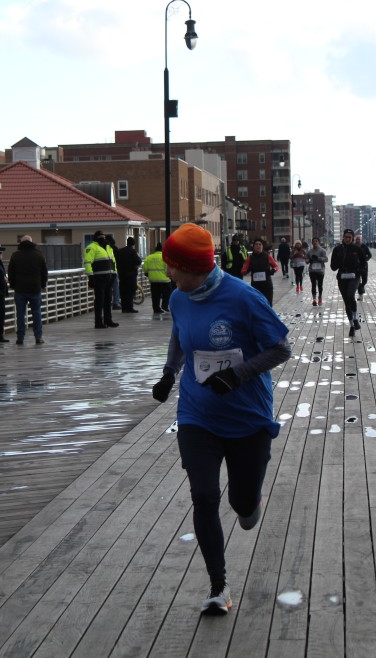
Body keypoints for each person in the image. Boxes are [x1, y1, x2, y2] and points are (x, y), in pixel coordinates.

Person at [149, 223, 292, 616]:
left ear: (194, 268)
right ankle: (219, 585)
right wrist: (169, 373)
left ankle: (249, 502)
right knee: (204, 496)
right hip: (197, 414)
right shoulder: (178, 297)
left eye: (173, 267)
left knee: (241, 505)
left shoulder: (244, 298)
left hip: (247, 415)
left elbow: (281, 348)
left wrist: (237, 375)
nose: (168, 273)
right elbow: (179, 336)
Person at [7, 235, 48, 345]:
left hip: (20, 289)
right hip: (35, 288)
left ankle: (20, 338)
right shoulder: (39, 255)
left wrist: (13, 285)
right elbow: (44, 272)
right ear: (31, 242)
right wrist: (42, 285)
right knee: (36, 313)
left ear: (21, 243)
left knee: (20, 314)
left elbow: (10, 272)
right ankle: (38, 337)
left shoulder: (15, 255)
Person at [331, 229, 368, 337]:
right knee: (347, 302)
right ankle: (352, 325)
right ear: (343, 237)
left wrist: (360, 273)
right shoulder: (337, 249)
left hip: (354, 277)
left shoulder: (357, 249)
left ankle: (355, 318)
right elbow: (333, 267)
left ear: (352, 238)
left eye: (349, 237)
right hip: (342, 277)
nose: (347, 239)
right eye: (346, 237)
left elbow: (364, 263)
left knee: (350, 295)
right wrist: (339, 262)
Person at [85, 230, 119, 329]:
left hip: (109, 277)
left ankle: (108, 320)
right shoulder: (91, 247)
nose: (102, 238)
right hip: (98, 278)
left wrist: (114, 273)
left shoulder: (108, 247)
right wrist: (91, 276)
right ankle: (98, 322)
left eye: (103, 236)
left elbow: (113, 261)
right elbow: (87, 262)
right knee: (99, 301)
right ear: (96, 238)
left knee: (108, 300)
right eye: (100, 237)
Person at [240, 238, 280, 304]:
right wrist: (248, 269)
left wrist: (273, 270)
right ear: (254, 247)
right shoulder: (250, 257)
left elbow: (276, 266)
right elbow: (243, 271)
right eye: (256, 244)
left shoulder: (267, 256)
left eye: (260, 244)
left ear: (262, 246)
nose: (258, 246)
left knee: (268, 305)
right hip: (256, 286)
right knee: (257, 305)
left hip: (267, 285)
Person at [142, 242, 171, 313]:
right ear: (162, 249)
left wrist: (148, 274)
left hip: (153, 280)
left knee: (155, 295)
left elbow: (145, 269)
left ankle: (156, 309)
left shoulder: (149, 257)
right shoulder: (165, 257)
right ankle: (164, 306)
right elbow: (168, 268)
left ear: (155, 250)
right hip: (165, 280)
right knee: (166, 294)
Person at [115, 236, 142, 313]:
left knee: (123, 291)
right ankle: (129, 307)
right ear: (133, 244)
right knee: (130, 291)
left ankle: (124, 308)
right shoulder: (133, 252)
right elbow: (138, 261)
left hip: (121, 274)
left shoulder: (119, 251)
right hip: (131, 275)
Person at [307, 237, 328, 306]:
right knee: (313, 284)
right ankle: (314, 299)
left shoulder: (322, 250)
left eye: (316, 241)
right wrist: (309, 260)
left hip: (320, 270)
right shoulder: (310, 251)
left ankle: (320, 297)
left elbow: (326, 259)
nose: (315, 242)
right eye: (313, 241)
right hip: (312, 270)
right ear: (312, 243)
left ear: (318, 242)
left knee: (320, 285)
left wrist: (318, 258)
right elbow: (306, 260)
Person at [106, 234, 122, 311]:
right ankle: (116, 302)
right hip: (114, 270)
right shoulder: (114, 248)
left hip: (106, 271)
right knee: (115, 286)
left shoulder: (104, 248)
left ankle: (107, 302)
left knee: (107, 287)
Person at [354, 233, 372, 299]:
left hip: (364, 265)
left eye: (359, 239)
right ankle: (360, 294)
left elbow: (370, 255)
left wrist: (365, 259)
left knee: (365, 280)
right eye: (357, 239)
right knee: (358, 280)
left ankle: (361, 287)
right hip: (356, 266)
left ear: (361, 240)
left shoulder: (364, 246)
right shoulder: (353, 246)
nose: (358, 240)